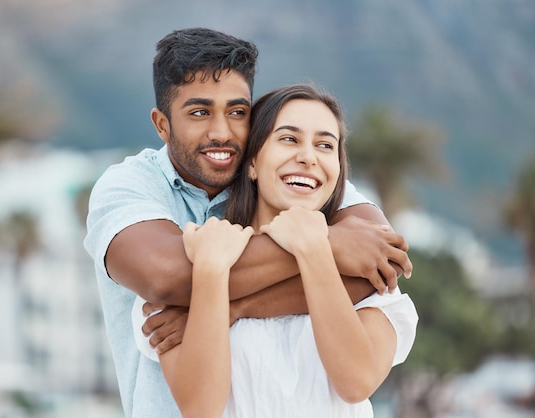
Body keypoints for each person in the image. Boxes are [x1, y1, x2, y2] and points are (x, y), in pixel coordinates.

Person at [84, 28, 412, 418]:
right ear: (162, 124)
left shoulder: (293, 179)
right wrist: (327, 246)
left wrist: (233, 304)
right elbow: (167, 279)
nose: (222, 132)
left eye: (237, 112)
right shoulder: (130, 185)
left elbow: (375, 261)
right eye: (199, 112)